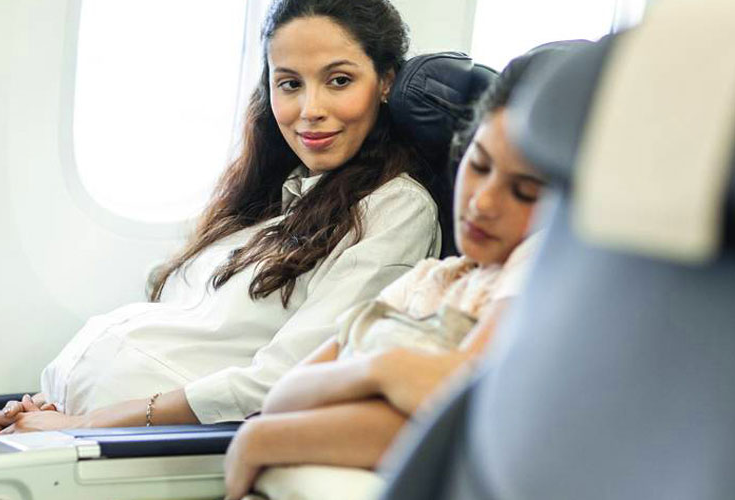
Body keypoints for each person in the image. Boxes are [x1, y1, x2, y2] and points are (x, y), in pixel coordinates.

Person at [0, 0, 445, 497]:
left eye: (338, 81)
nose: (308, 109)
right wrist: (47, 403)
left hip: (128, 462)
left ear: (384, 82)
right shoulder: (285, 196)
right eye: (288, 84)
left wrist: (81, 421)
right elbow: (183, 332)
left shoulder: (394, 212)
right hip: (64, 431)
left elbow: (272, 387)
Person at [220, 44, 575, 500]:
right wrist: (384, 375)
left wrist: (267, 438)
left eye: (525, 192)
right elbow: (284, 397)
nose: (482, 202)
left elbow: (460, 409)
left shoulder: (535, 270)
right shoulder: (432, 278)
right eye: (479, 166)